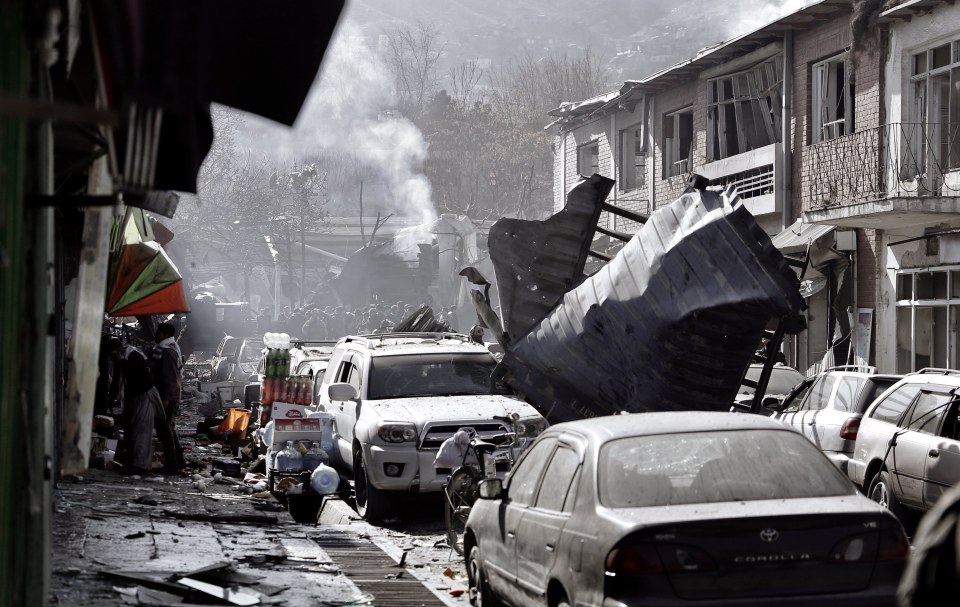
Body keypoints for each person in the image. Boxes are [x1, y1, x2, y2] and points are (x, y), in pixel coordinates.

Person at [107, 339, 177, 475]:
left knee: (143, 432)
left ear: (117, 351)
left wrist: (122, 364)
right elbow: (116, 380)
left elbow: (139, 379)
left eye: (112, 354)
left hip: (145, 397)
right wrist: (111, 397)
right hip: (133, 399)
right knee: (130, 431)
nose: (111, 358)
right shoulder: (119, 360)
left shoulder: (134, 357)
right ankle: (133, 462)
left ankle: (141, 465)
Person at [150, 322, 187, 472]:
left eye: (158, 332)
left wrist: (165, 398)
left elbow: (171, 377)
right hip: (170, 395)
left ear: (165, 334)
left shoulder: (167, 352)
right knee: (169, 428)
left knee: (165, 430)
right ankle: (179, 460)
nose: (156, 335)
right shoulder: (171, 349)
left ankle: (172, 464)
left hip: (168, 396)